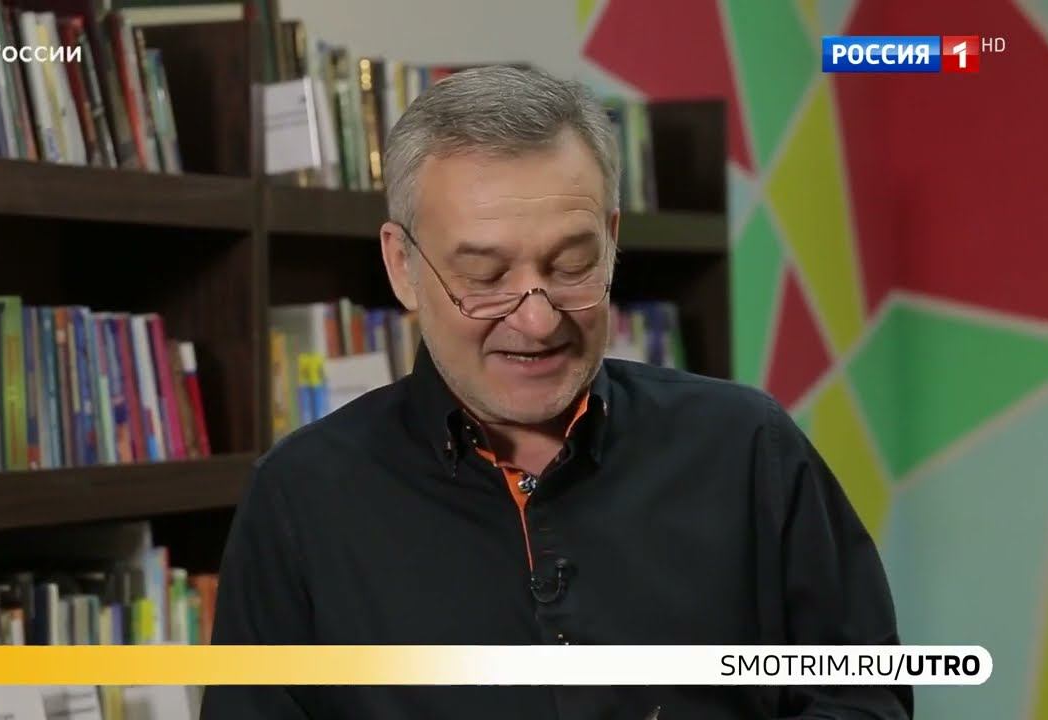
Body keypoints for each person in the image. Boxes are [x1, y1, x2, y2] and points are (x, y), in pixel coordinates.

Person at [200, 65, 911, 719]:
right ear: (402, 265)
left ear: (612, 242)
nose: (537, 321)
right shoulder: (301, 497)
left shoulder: (748, 447)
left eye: (573, 265)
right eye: (485, 277)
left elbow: (867, 701)